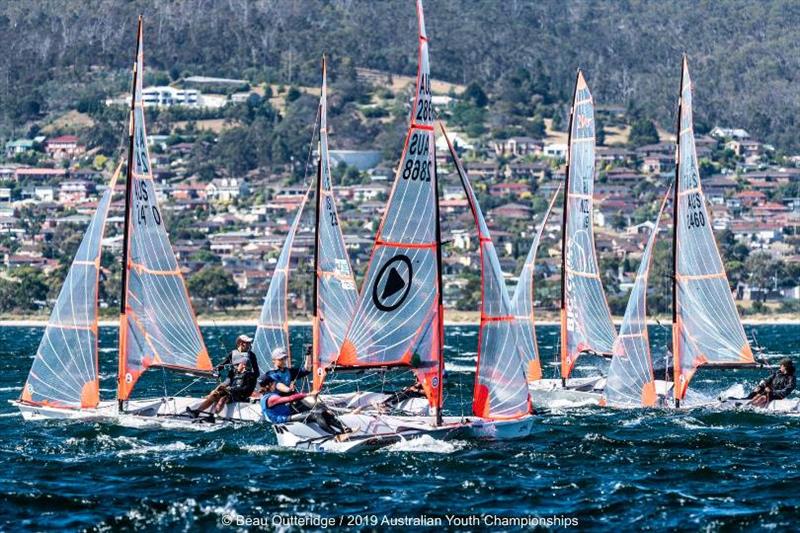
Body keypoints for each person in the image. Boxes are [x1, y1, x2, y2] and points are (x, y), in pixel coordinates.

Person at [186, 334, 260, 417]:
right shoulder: (233, 353)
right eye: (247, 343)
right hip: (233, 376)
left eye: (250, 343)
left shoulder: (251, 355)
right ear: (241, 343)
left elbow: (257, 373)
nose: (250, 344)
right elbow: (222, 364)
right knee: (219, 389)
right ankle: (202, 406)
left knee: (224, 395)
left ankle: (213, 412)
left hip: (244, 378)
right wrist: (215, 370)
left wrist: (248, 375)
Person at [260, 375, 350, 436]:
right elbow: (290, 399)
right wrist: (309, 394)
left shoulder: (267, 396)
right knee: (315, 414)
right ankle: (335, 435)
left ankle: (343, 429)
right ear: (269, 385)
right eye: (274, 384)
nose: (275, 386)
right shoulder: (270, 398)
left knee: (320, 410)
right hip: (284, 420)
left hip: (289, 413)